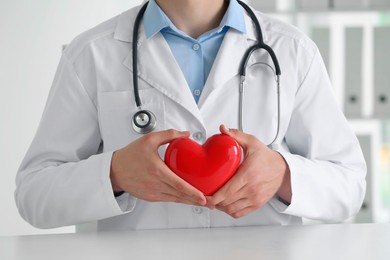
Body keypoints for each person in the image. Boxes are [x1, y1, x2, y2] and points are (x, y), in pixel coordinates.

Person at [15, 0, 366, 231]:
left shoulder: (292, 51)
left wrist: (283, 176)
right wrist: (115, 173)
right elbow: (34, 195)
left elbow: (350, 186)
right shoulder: (91, 53)